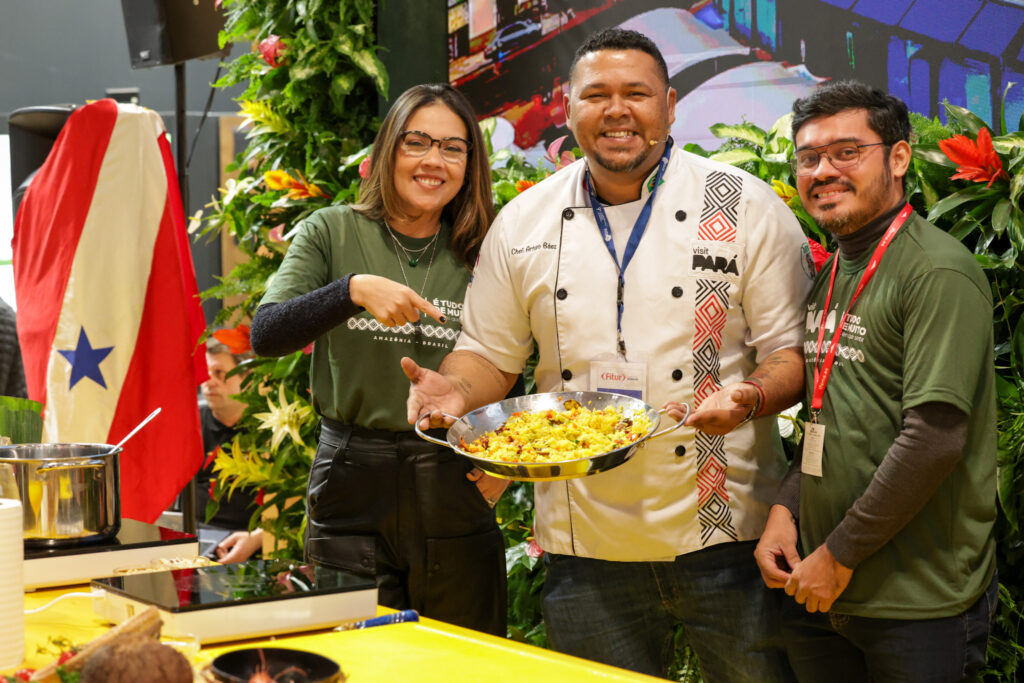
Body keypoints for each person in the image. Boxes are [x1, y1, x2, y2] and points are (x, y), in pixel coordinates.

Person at [405, 29, 813, 680]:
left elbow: (793, 354)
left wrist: (749, 396)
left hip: (724, 534)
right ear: (568, 108)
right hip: (584, 544)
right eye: (596, 94)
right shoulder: (526, 220)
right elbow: (488, 351)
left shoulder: (743, 206)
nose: (617, 110)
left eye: (637, 94)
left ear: (671, 105)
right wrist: (454, 391)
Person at [753, 81, 997, 681]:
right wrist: (787, 509)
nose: (822, 171)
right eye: (808, 157)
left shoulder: (935, 271)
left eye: (845, 152)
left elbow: (934, 436)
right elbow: (825, 414)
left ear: (898, 157)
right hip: (821, 589)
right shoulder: (834, 270)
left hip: (914, 604)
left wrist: (838, 554)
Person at [249, 83, 506, 636]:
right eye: (417, 142)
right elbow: (266, 333)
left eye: (453, 148)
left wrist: (507, 468)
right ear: (389, 148)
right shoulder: (332, 230)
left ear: (470, 164)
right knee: (356, 660)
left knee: (463, 665)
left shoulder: (486, 248)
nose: (434, 160)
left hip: (453, 474)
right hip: (350, 479)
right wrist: (352, 290)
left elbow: (522, 361)